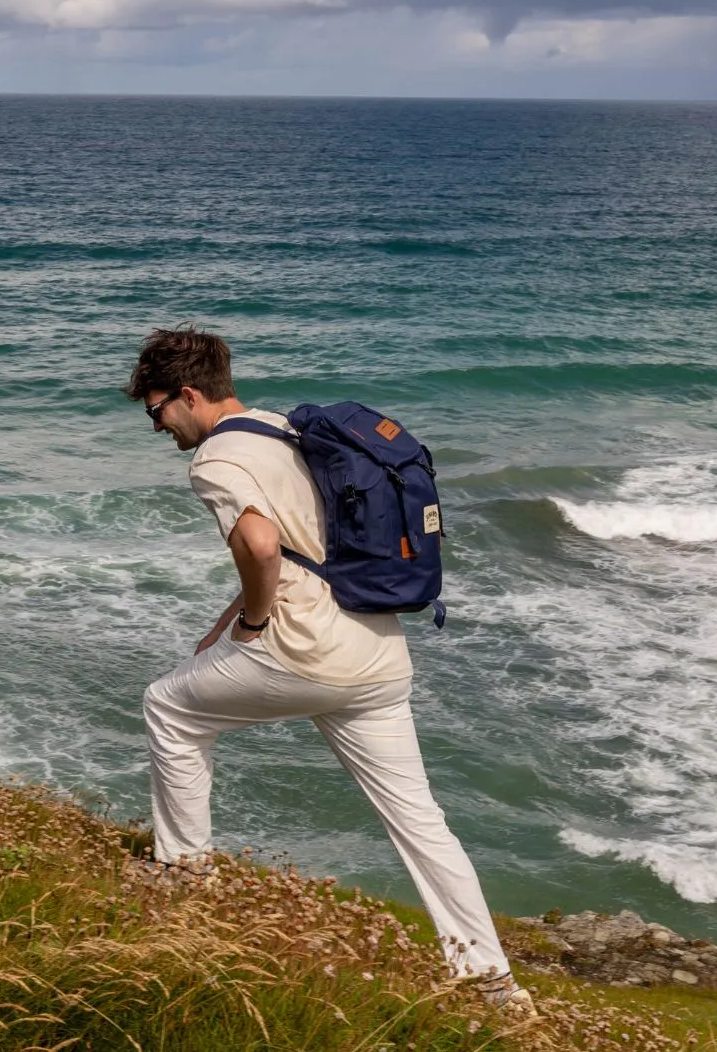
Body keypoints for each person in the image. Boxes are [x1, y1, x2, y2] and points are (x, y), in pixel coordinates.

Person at [125, 325, 533, 1014]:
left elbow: (259, 544)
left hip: (303, 649)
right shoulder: (284, 430)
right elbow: (307, 539)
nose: (157, 426)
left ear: (188, 395)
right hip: (376, 650)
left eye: (156, 410)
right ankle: (491, 982)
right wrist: (227, 620)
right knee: (419, 820)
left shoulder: (216, 461)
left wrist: (252, 623)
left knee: (168, 706)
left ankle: (183, 877)